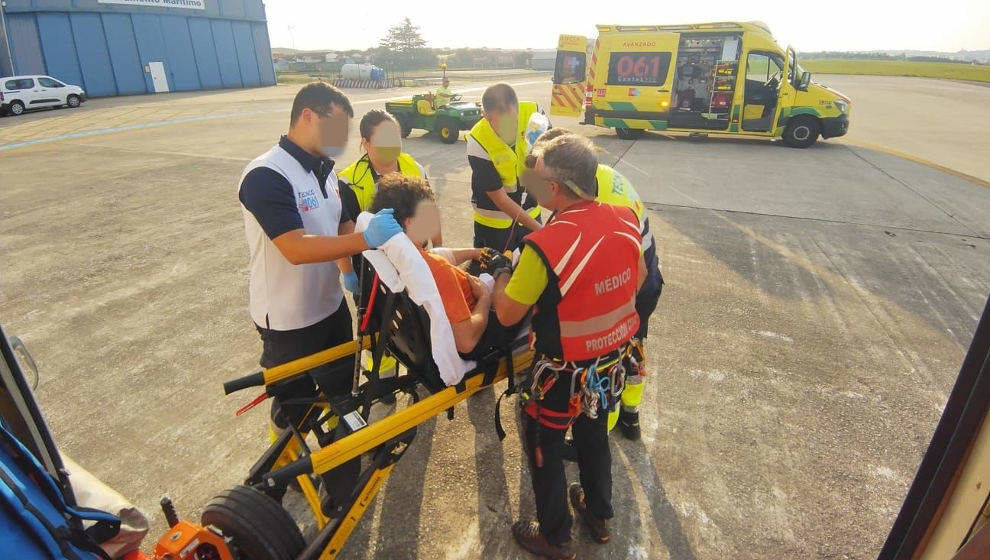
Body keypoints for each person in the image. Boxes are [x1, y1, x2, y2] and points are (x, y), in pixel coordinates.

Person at [237, 82, 402, 514]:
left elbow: (342, 228)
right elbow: (295, 247)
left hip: (330, 311)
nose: (342, 141)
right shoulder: (266, 176)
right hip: (287, 321)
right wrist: (366, 239)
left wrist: (365, 257)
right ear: (308, 116)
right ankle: (287, 468)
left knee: (340, 399)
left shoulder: (329, 173)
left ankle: (336, 479)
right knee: (295, 407)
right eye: (337, 128)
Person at [494, 134, 647, 558]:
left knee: (544, 444)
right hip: (609, 363)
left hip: (563, 372)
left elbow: (507, 314)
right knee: (594, 433)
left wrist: (504, 272)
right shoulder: (624, 219)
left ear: (555, 189)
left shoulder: (546, 245)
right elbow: (636, 280)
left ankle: (554, 536)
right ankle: (598, 514)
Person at [526, 128, 664, 440]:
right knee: (634, 346)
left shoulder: (593, 199)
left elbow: (586, 261)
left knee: (607, 359)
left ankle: (602, 426)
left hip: (632, 279)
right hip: (645, 271)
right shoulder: (597, 175)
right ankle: (631, 416)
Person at [368, 172, 519, 359]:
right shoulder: (438, 270)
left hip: (423, 334)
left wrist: (474, 252)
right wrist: (485, 298)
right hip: (475, 336)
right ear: (410, 221)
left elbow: (434, 256)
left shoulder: (393, 256)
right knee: (512, 277)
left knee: (480, 264)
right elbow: (467, 342)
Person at [337, 109, 439, 293]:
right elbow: (343, 230)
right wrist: (348, 271)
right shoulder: (349, 182)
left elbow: (431, 213)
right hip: (374, 270)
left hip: (415, 261)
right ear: (365, 143)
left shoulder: (415, 169)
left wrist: (439, 250)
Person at [466, 83, 543, 252]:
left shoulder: (534, 115)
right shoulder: (477, 141)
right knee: (496, 271)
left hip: (531, 212)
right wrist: (542, 232)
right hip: (494, 224)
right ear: (484, 115)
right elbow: (500, 199)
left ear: (517, 108)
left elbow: (553, 156)